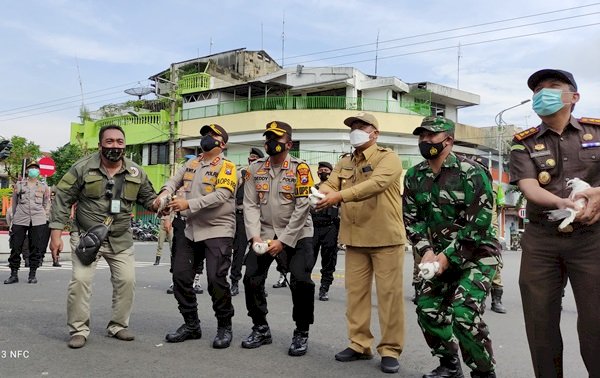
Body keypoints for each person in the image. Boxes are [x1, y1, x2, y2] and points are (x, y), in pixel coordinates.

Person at [509, 69, 600, 377]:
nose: (542, 93)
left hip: (592, 238)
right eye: (537, 90)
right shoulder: (523, 142)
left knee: (596, 323)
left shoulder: (597, 132)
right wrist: (561, 202)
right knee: (540, 324)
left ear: (573, 97)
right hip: (542, 239)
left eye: (552, 87)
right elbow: (529, 186)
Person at [403, 116, 500, 378]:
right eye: (421, 136)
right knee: (427, 308)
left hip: (477, 254)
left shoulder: (472, 172)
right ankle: (449, 364)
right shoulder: (414, 176)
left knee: (464, 313)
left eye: (431, 136)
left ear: (448, 140)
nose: (425, 141)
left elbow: (478, 224)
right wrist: (426, 251)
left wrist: (447, 256)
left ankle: (483, 372)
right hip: (436, 258)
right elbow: (413, 220)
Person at [49, 124, 158, 349]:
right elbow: (62, 200)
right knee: (80, 281)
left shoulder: (136, 172)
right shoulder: (81, 168)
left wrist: (160, 204)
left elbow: (148, 198)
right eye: (109, 142)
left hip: (121, 237)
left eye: (119, 142)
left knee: (127, 281)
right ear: (100, 145)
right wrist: (56, 235)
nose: (114, 146)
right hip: (87, 236)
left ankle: (118, 325)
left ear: (124, 145)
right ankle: (79, 329)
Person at [316, 112, 405, 374]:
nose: (356, 130)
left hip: (385, 238)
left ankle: (390, 349)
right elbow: (330, 184)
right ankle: (359, 344)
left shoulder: (388, 157)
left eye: (362, 126)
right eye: (353, 126)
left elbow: (376, 185)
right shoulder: (344, 161)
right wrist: (318, 193)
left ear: (375, 133)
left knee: (389, 297)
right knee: (356, 296)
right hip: (354, 239)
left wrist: (338, 197)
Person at [158, 124, 237, 349]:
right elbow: (174, 181)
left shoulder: (228, 167)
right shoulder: (191, 163)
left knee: (216, 280)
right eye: (205, 135)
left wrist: (187, 203)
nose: (207, 139)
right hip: (189, 228)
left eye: (212, 136)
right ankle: (191, 324)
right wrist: (165, 193)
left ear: (223, 144)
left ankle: (224, 326)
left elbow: (221, 196)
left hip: (217, 229)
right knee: (180, 277)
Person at [241, 121, 315, 357]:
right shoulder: (253, 169)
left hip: (298, 232)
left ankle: (301, 331)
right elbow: (250, 205)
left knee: (301, 280)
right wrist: (254, 237)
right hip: (263, 233)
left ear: (289, 144)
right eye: (268, 139)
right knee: (251, 278)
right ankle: (260, 327)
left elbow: (302, 207)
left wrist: (283, 241)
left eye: (277, 140)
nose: (271, 144)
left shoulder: (300, 169)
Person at [4, 160, 50, 285]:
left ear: (39, 171)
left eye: (36, 168)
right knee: (15, 246)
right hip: (20, 218)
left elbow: (46, 204)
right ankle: (14, 274)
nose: (33, 170)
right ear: (27, 171)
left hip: (38, 219)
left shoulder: (44, 187)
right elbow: (14, 203)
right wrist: (13, 219)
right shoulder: (19, 185)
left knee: (35, 247)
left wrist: (44, 216)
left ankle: (32, 274)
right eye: (31, 168)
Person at [230, 147, 264, 296]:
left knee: (259, 252)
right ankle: (235, 282)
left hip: (260, 218)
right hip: (241, 216)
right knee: (239, 251)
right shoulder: (241, 173)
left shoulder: (264, 175)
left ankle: (259, 285)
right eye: (250, 157)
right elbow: (230, 195)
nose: (252, 159)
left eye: (255, 157)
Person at [310, 161, 339, 301]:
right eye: (321, 170)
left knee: (329, 261)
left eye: (326, 170)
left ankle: (324, 288)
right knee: (308, 259)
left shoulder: (337, 191)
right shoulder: (313, 189)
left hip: (330, 227)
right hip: (314, 227)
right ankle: (306, 286)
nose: (323, 172)